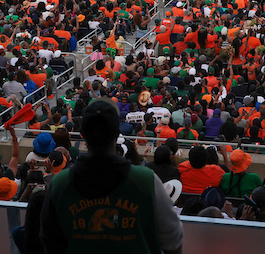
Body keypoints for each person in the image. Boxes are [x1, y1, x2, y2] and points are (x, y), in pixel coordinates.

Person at [40, 98, 183, 254]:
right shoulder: (146, 180)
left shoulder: (60, 184)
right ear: (117, 133)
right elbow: (173, 239)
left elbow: (49, 241)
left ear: (82, 135)